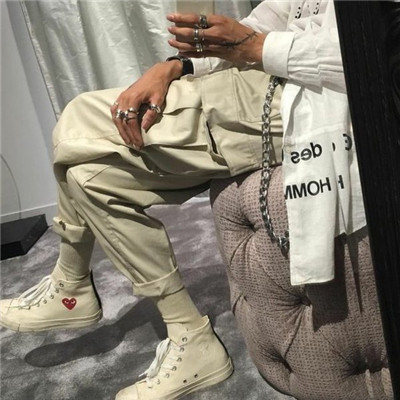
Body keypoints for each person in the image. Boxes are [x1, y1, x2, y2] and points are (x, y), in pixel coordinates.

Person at [0, 1, 365, 399]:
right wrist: (176, 65)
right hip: (266, 82)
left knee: (78, 117)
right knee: (89, 179)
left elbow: (369, 56)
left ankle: (71, 281)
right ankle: (189, 335)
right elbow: (261, 23)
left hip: (306, 100)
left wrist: (256, 47)